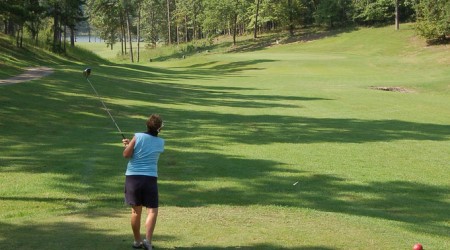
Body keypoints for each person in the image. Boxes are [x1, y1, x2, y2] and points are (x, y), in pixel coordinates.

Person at [122, 114, 165, 250]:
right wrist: (132, 145)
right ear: (159, 129)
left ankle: (137, 241)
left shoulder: (138, 136)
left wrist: (129, 145)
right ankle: (148, 241)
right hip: (150, 178)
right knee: (152, 211)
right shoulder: (161, 142)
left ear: (147, 125)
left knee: (136, 212)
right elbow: (147, 150)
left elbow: (126, 155)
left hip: (133, 178)